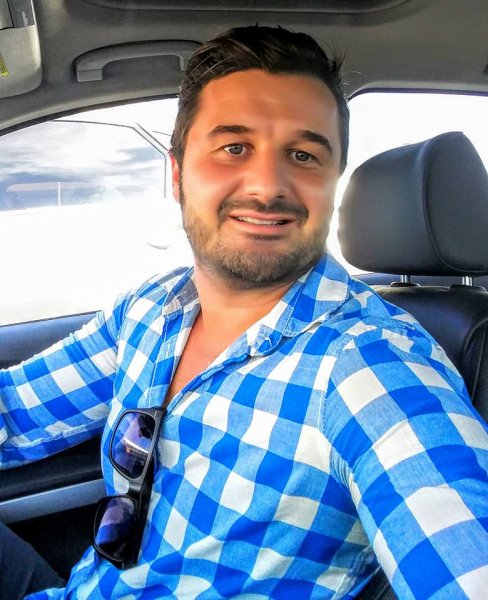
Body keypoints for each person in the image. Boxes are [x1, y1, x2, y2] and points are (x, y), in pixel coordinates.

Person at [0, 24, 487, 600]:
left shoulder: (370, 366)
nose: (267, 185)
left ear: (332, 185)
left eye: (304, 155)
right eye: (234, 147)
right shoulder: (153, 308)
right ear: (178, 174)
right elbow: (15, 412)